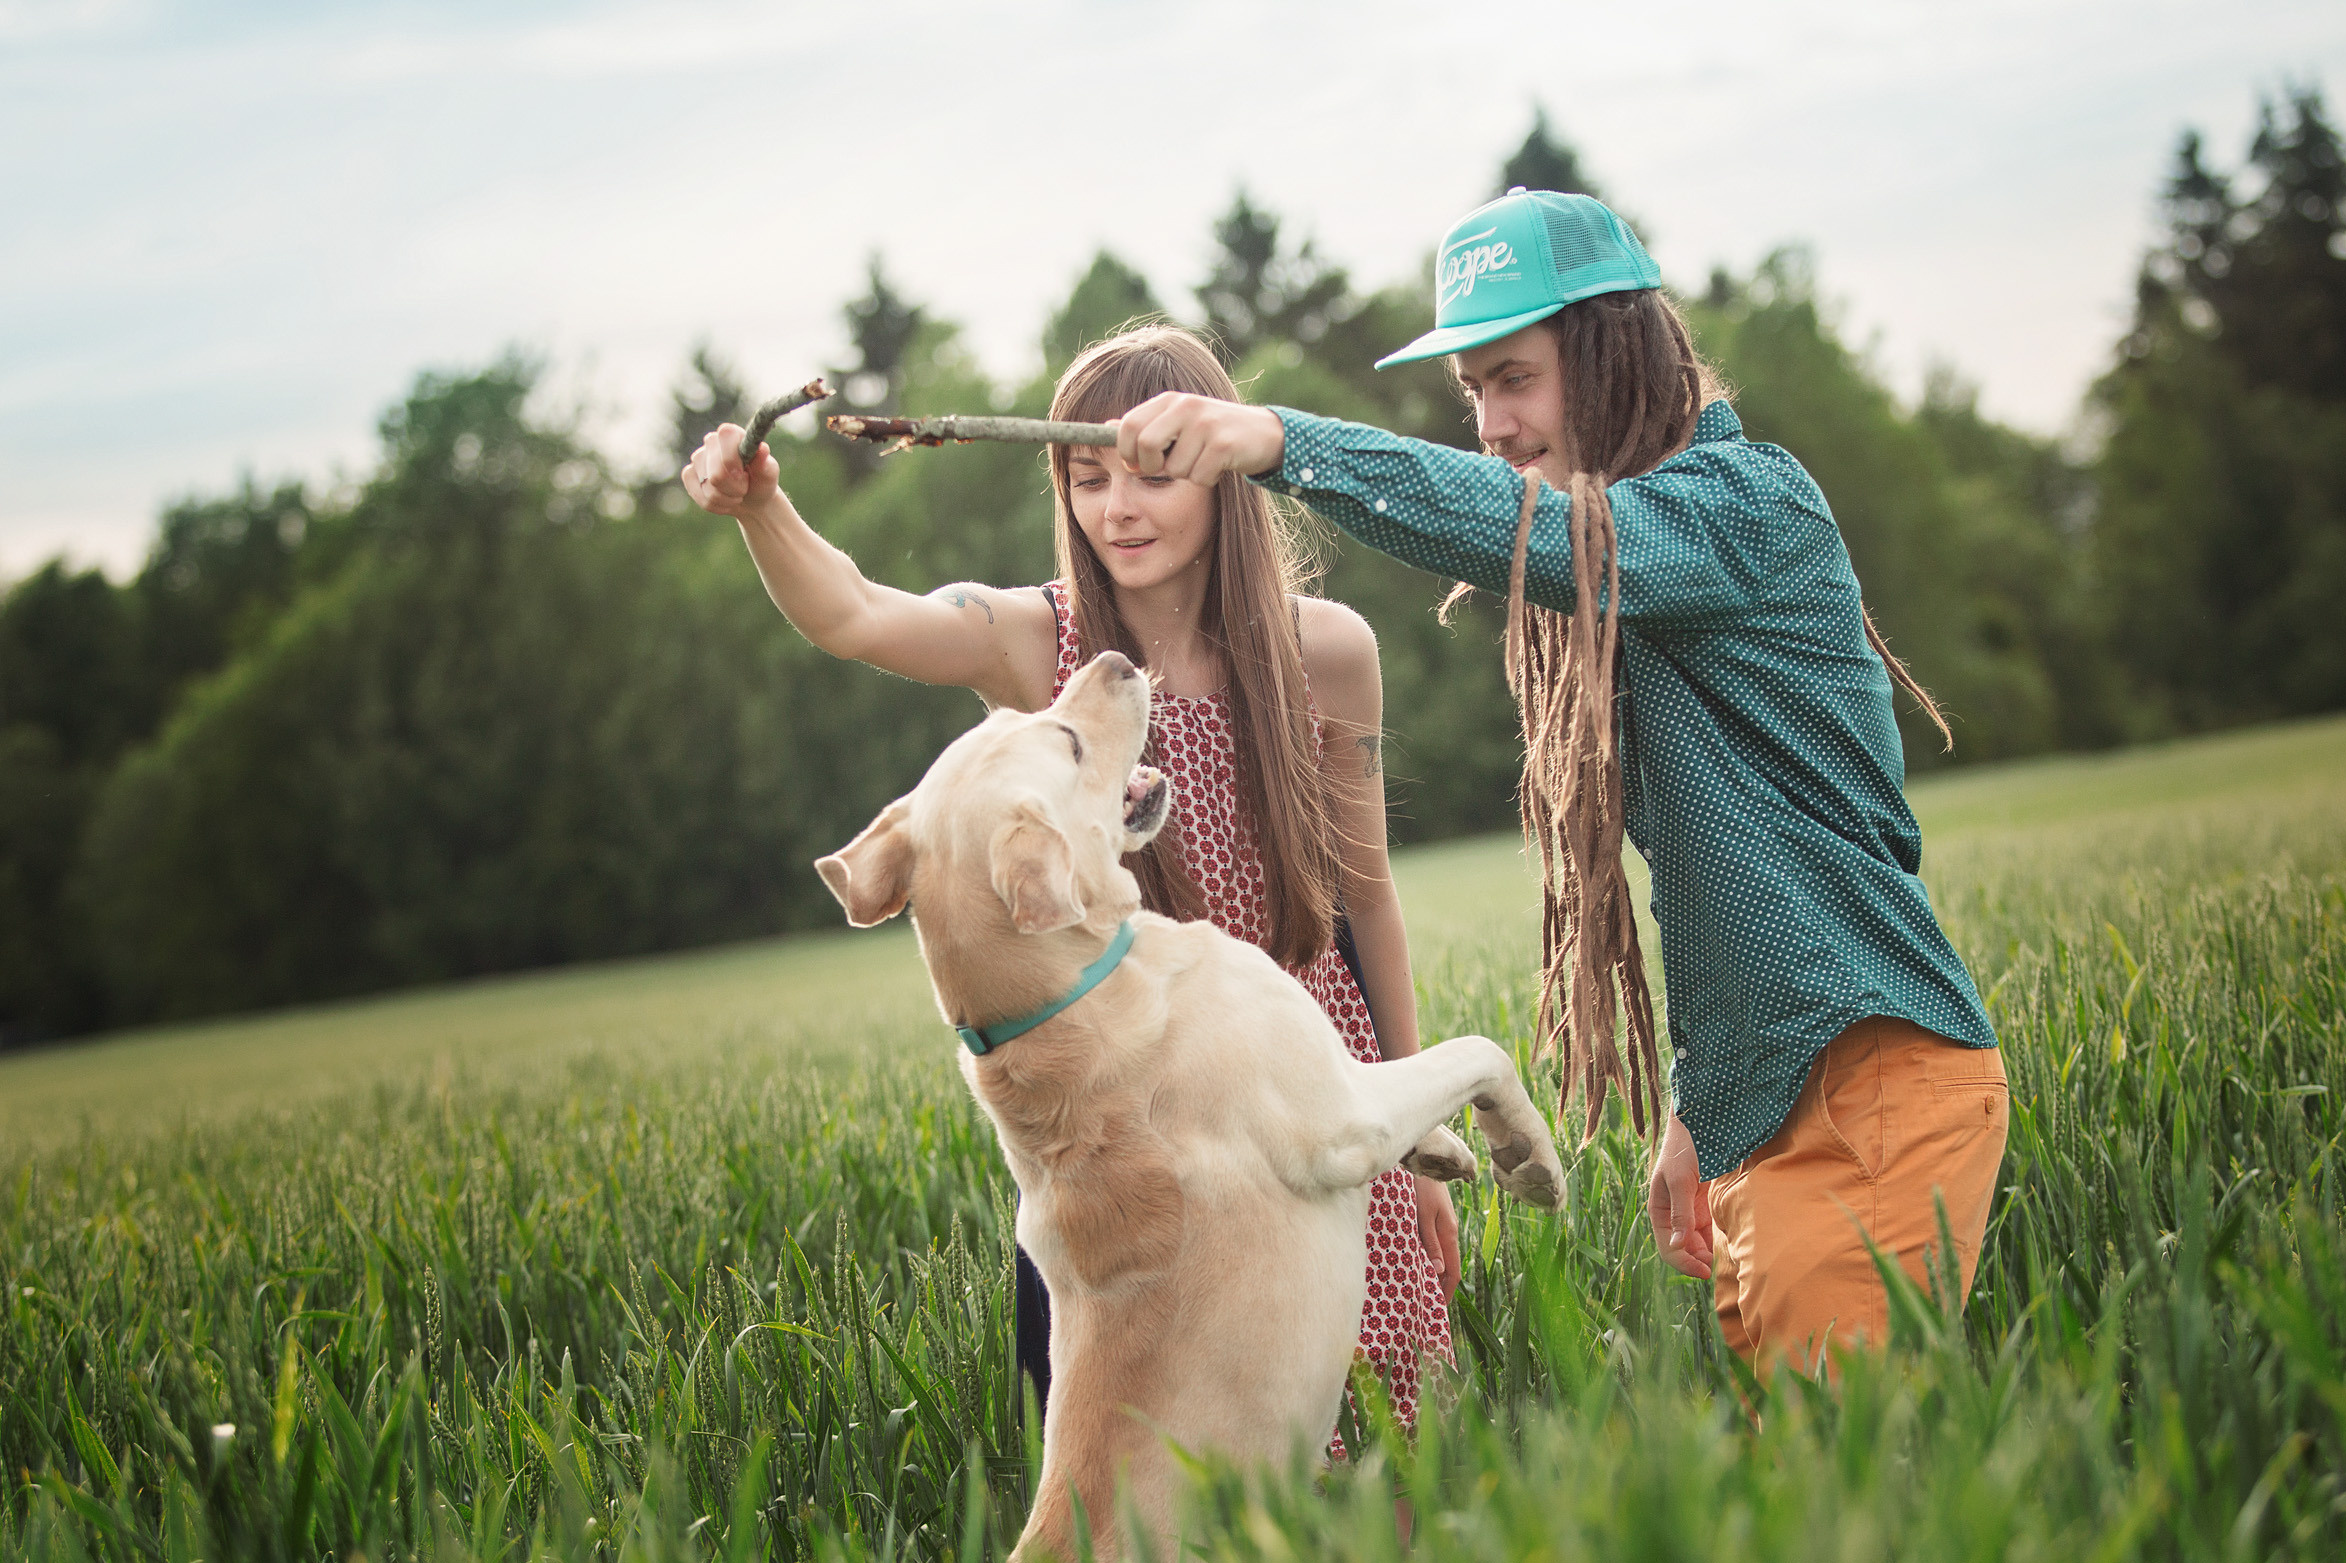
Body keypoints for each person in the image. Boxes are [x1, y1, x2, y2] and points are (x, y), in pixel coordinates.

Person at [1107, 191, 2009, 1376]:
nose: (1490, 420)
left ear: (1611, 352)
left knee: (1841, 1489)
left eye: (1513, 378)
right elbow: (1721, 877)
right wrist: (1703, 1104)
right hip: (1775, 1101)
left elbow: (1539, 532)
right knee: (1801, 1499)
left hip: (1873, 1086)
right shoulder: (1655, 565)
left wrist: (1281, 442)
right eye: (1473, 389)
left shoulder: (1746, 511)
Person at [681, 323, 1461, 1440]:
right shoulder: (1033, 643)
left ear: (1225, 466)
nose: (1118, 509)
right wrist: (762, 504)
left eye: (1153, 472)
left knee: (1379, 1437)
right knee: (1172, 1452)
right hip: (1137, 1115)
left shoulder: (1326, 650)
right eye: (1086, 479)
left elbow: (1367, 898)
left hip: (1310, 1085)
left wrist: (1412, 1138)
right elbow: (852, 613)